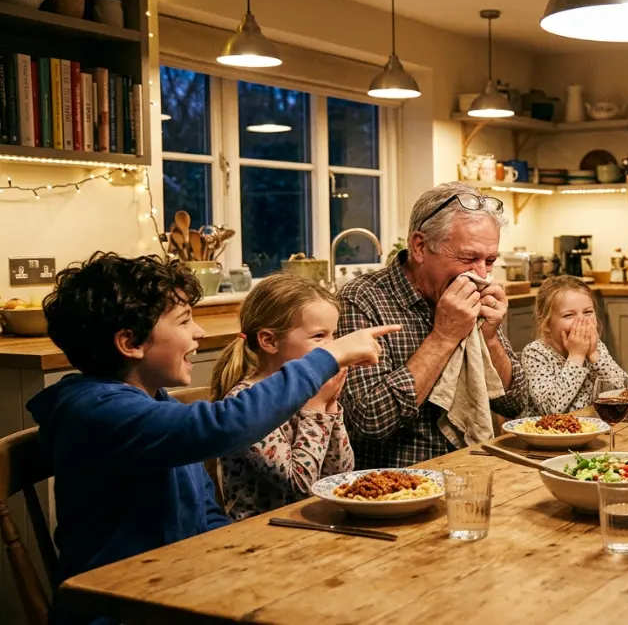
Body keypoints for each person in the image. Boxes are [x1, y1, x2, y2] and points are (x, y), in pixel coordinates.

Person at [29, 252, 397, 625]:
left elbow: (205, 514)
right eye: (185, 321)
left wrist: (239, 561)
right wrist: (327, 358)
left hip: (183, 586)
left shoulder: (153, 403)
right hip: (118, 609)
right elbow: (225, 425)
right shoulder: (99, 412)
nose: (199, 333)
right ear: (130, 342)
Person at [337, 182, 529, 468]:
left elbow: (515, 405)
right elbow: (369, 422)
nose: (481, 274)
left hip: (470, 469)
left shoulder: (473, 293)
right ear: (420, 247)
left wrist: (490, 339)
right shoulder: (361, 301)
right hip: (395, 488)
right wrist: (443, 337)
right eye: (468, 258)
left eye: (489, 261)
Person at [209, 273, 355, 521]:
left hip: (311, 526)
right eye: (319, 336)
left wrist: (330, 406)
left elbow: (340, 475)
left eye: (334, 334)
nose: (333, 346)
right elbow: (301, 486)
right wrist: (318, 408)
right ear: (269, 341)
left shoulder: (311, 393)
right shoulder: (247, 402)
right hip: (259, 536)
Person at [521, 275, 628, 415]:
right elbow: (551, 410)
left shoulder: (596, 347)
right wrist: (576, 356)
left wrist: (594, 355)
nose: (582, 321)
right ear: (546, 323)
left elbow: (627, 392)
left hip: (591, 429)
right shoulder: (535, 353)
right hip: (550, 434)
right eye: (569, 315)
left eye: (588, 312)